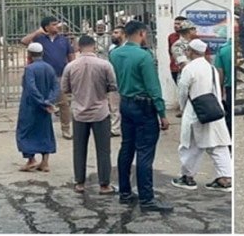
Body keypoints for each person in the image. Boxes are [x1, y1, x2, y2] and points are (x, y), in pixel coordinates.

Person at [110, 20, 173, 213]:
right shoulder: (143, 56)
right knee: (145, 152)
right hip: (144, 106)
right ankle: (147, 199)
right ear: (141, 34)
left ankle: (125, 193)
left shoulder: (115, 54)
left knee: (126, 147)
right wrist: (162, 113)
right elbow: (153, 87)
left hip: (126, 103)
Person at [172, 39, 233, 192]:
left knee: (190, 145)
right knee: (218, 145)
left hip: (196, 112)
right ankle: (225, 178)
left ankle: (187, 177)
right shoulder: (210, 67)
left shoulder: (189, 68)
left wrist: (183, 107)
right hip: (214, 110)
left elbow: (183, 91)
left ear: (190, 52)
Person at [62, 35, 117, 194]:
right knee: (103, 149)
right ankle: (104, 185)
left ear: (78, 47)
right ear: (94, 47)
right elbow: (113, 86)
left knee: (79, 149)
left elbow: (65, 89)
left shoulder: (71, 66)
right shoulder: (105, 65)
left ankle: (80, 183)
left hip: (79, 112)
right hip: (100, 112)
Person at [21, 16, 75, 140]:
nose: (57, 26)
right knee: (41, 102)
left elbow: (71, 56)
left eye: (57, 24)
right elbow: (24, 41)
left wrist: (71, 72)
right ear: (46, 27)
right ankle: (38, 129)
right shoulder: (39, 39)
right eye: (54, 24)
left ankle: (66, 129)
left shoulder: (63, 40)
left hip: (60, 75)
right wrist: (37, 32)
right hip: (43, 76)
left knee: (64, 104)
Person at [16, 42, 59, 173]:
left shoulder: (30, 69)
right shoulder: (49, 68)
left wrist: (41, 102)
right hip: (46, 108)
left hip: (31, 106)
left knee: (26, 131)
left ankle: (31, 160)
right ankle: (45, 162)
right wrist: (49, 101)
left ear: (29, 54)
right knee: (45, 132)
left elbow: (31, 88)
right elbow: (55, 87)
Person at [107, 25, 125, 137]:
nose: (113, 35)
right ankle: (115, 128)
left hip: (126, 81)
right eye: (113, 32)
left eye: (116, 32)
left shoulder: (126, 49)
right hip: (114, 81)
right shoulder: (112, 49)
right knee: (114, 106)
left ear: (123, 34)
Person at [214, 38, 233, 136]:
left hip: (229, 86)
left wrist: (220, 91)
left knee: (229, 116)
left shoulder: (223, 50)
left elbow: (220, 73)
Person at [168, 16, 187, 85]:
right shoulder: (171, 37)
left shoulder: (190, 37)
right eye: (175, 24)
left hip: (186, 68)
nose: (176, 26)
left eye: (178, 24)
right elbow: (170, 52)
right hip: (175, 69)